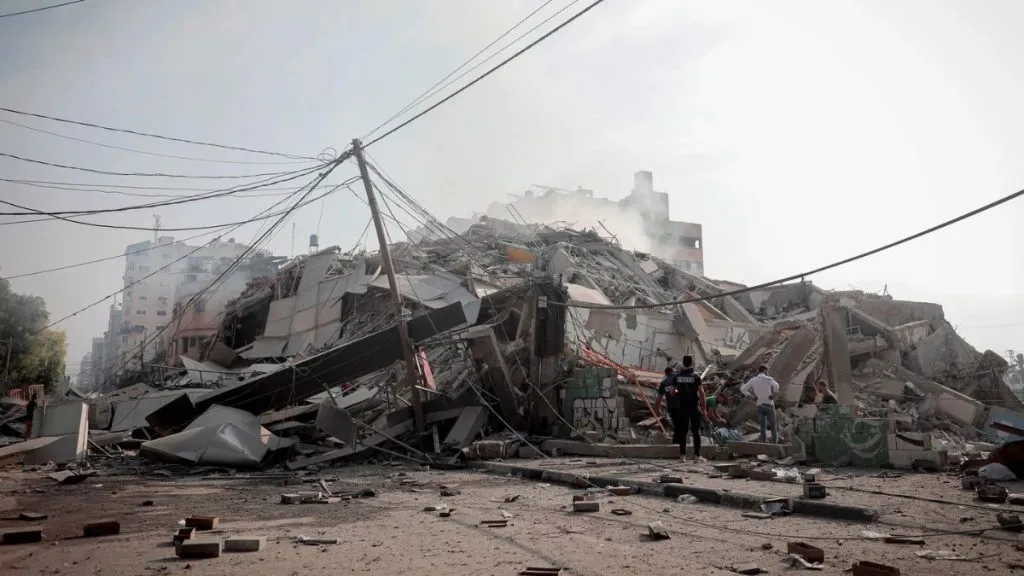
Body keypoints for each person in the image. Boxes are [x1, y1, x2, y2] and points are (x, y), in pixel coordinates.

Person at [657, 356, 704, 461]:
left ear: (683, 363)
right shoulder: (696, 376)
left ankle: (682, 456)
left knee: (683, 431)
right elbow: (702, 393)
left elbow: (673, 392)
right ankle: (697, 455)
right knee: (696, 431)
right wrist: (703, 408)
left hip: (682, 407)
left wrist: (680, 391)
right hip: (694, 407)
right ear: (692, 363)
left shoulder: (677, 377)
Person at [740, 365, 779, 443]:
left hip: (759, 405)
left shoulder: (753, 380)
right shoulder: (768, 379)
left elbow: (743, 389)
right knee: (773, 425)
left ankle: (763, 443)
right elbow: (777, 386)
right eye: (767, 371)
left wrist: (752, 397)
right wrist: (773, 395)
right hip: (769, 404)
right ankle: (774, 443)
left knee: (762, 426)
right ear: (764, 370)